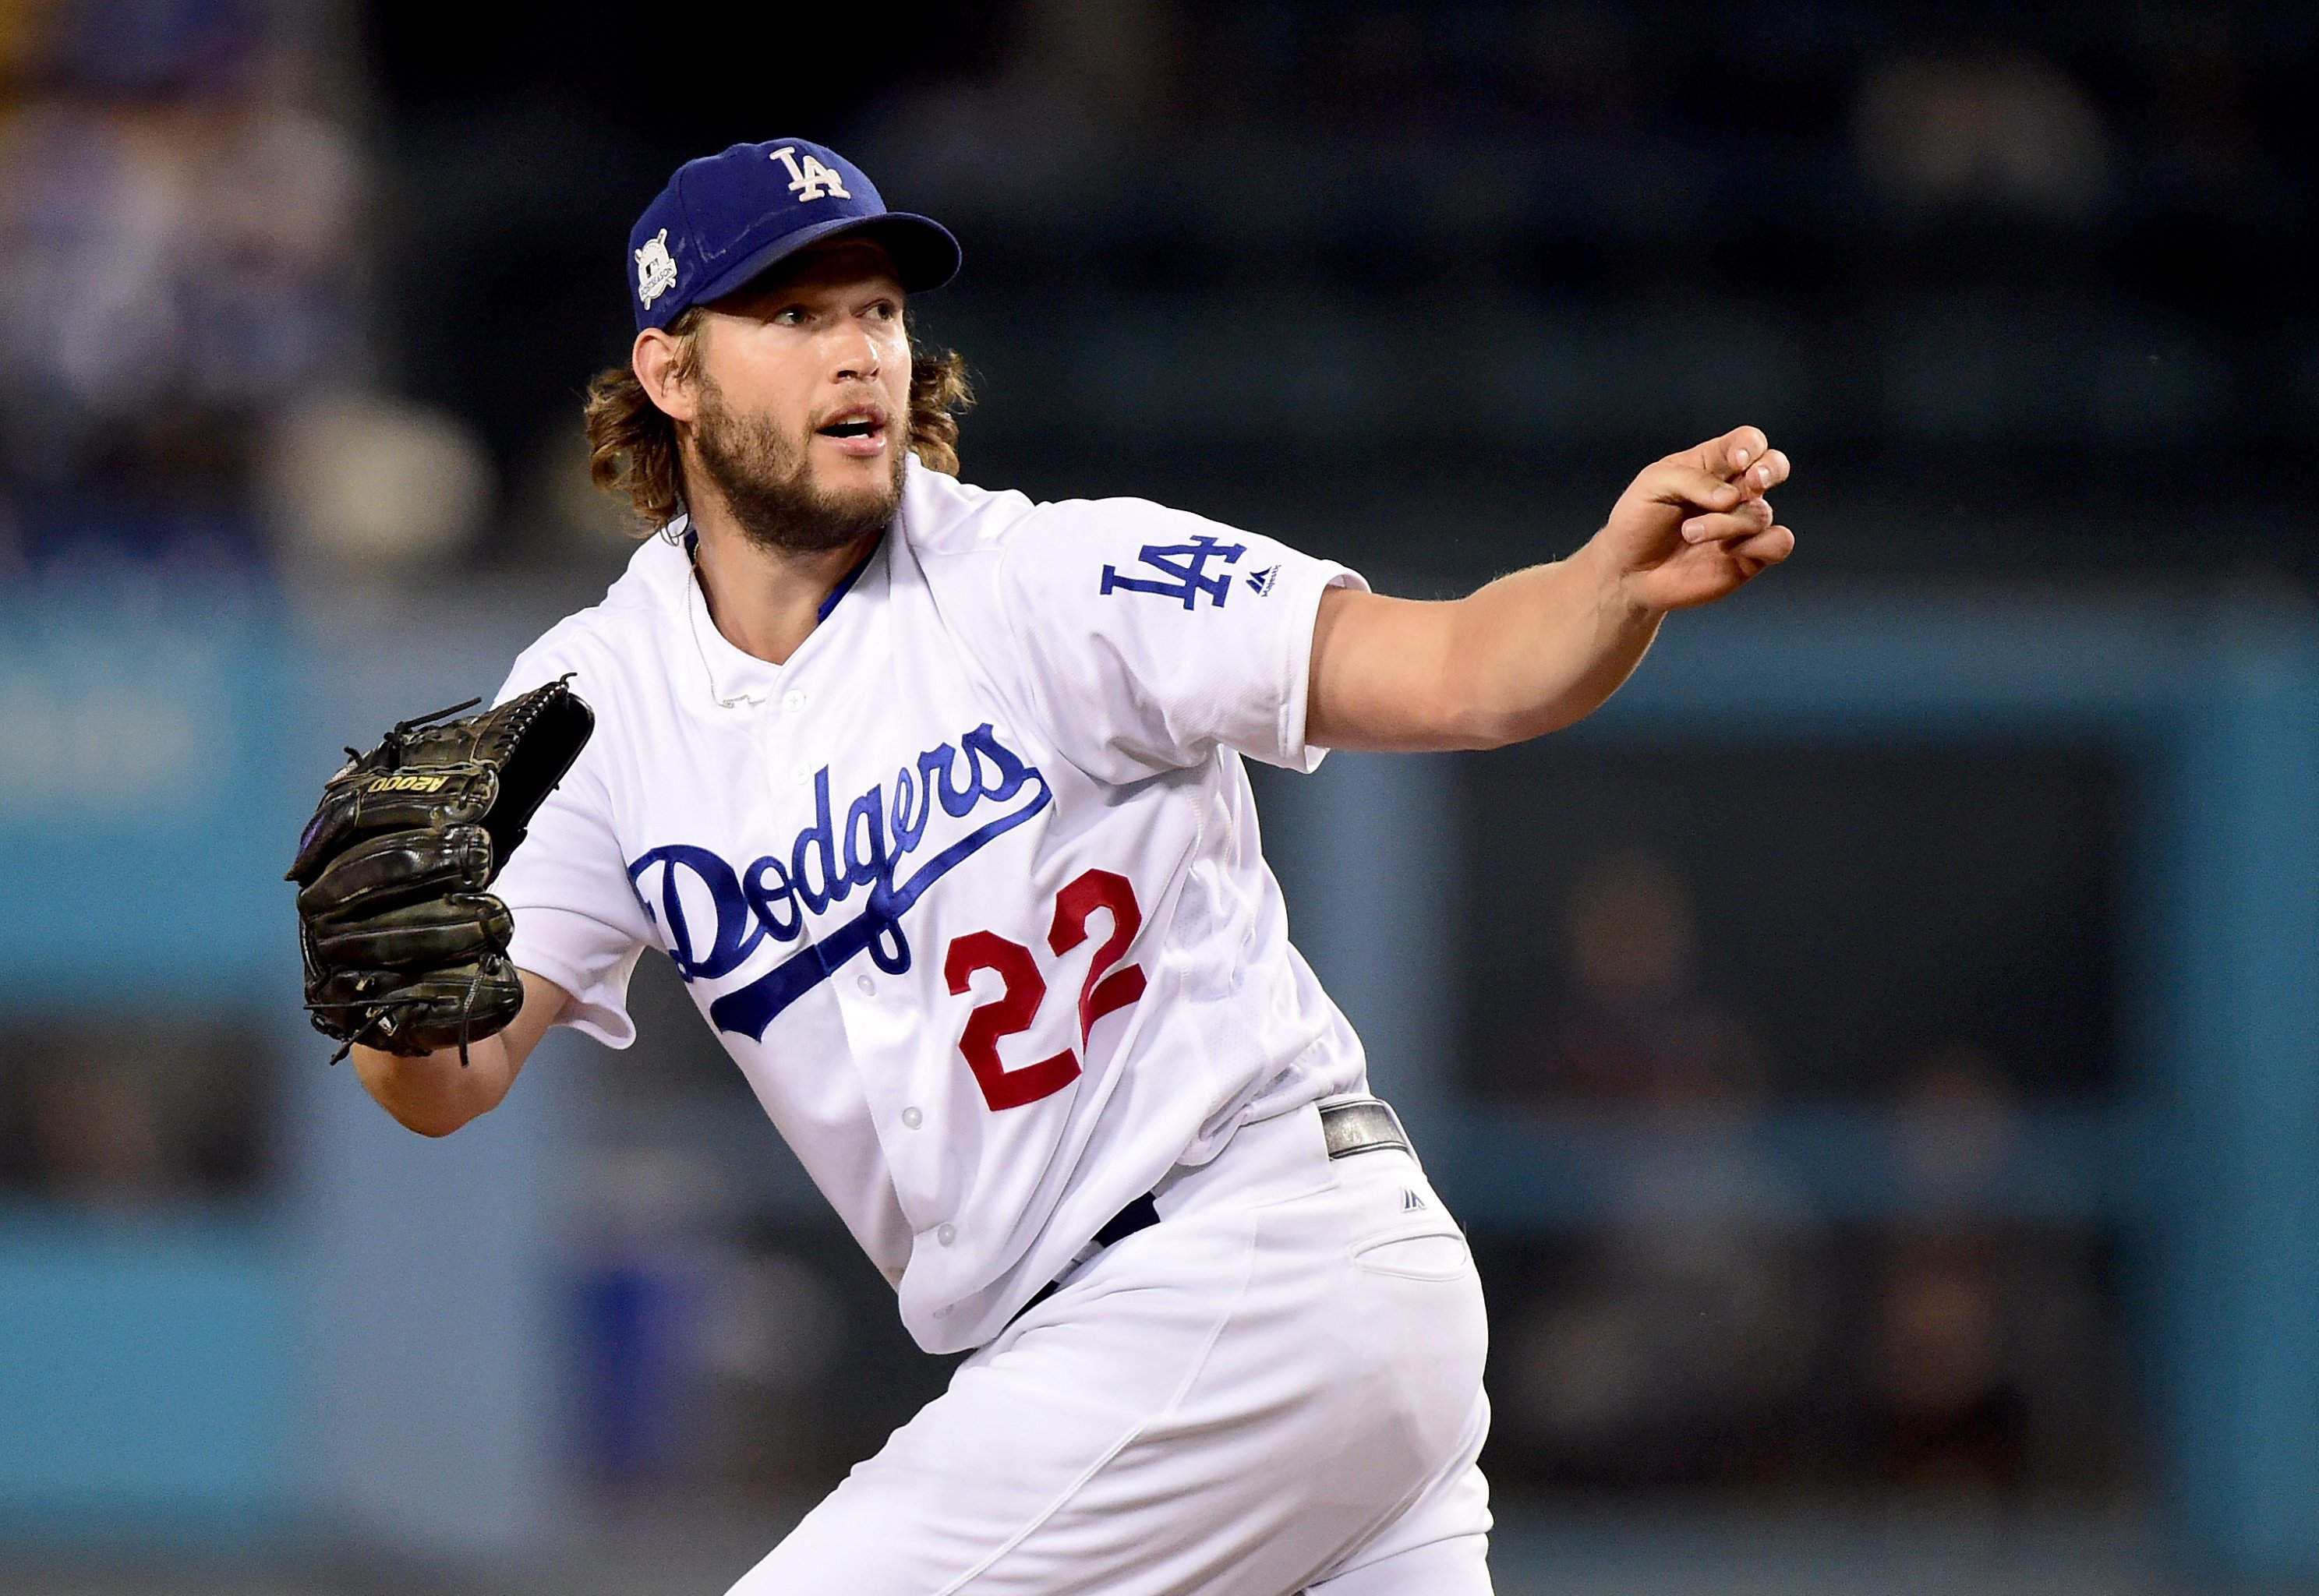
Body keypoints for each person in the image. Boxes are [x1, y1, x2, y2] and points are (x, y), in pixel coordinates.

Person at [344, 138, 1793, 1595]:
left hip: (1245, 1262)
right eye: (792, 317)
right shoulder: (598, 699)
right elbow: (448, 1082)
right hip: (1189, 1343)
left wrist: (1609, 585)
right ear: (671, 374)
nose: (856, 353)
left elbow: (1467, 669)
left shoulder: (1051, 583)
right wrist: (386, 1005)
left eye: (878, 312)